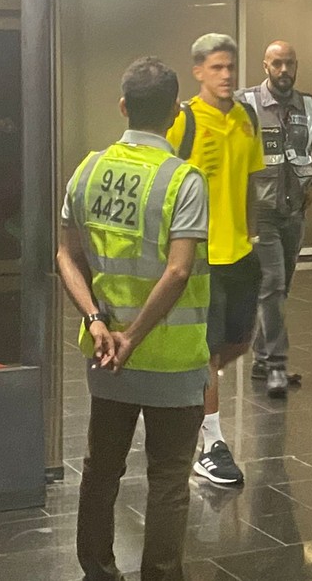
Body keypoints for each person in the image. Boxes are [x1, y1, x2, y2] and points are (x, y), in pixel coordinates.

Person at [57, 56, 211, 581]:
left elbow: (65, 255)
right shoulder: (183, 180)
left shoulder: (89, 168)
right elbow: (179, 270)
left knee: (101, 470)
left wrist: (99, 323)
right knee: (169, 479)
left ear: (123, 107)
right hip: (171, 358)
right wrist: (134, 337)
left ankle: (97, 570)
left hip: (105, 357)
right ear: (174, 113)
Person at [167, 34, 264, 485]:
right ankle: (211, 443)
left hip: (240, 252)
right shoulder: (182, 121)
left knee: (239, 342)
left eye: (231, 67)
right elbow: (164, 186)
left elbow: (249, 181)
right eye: (217, 67)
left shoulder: (246, 118)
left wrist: (253, 233)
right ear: (199, 71)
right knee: (208, 351)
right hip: (203, 256)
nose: (227, 75)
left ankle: (191, 390)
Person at [238, 41, 312, 397]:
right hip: (261, 209)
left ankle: (261, 358)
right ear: (266, 65)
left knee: (281, 285)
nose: (284, 70)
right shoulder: (247, 104)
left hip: (295, 209)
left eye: (289, 63)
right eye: (277, 63)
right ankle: (276, 365)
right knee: (271, 284)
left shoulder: (309, 104)